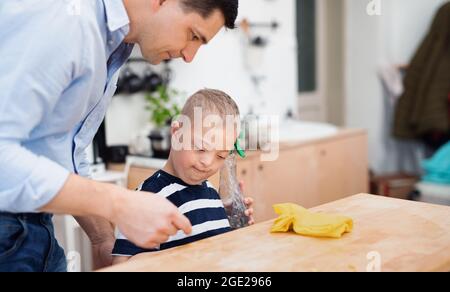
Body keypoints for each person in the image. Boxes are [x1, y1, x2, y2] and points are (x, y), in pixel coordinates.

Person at [0, 0, 246, 272]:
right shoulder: (68, 18)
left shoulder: (114, 47)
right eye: (193, 35)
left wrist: (103, 238)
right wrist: (119, 203)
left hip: (34, 228)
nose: (190, 56)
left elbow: (65, 152)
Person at [111, 89, 254, 264]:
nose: (207, 162)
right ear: (176, 133)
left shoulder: (211, 195)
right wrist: (179, 258)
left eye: (220, 156)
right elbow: (121, 263)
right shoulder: (147, 197)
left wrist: (233, 226)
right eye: (201, 148)